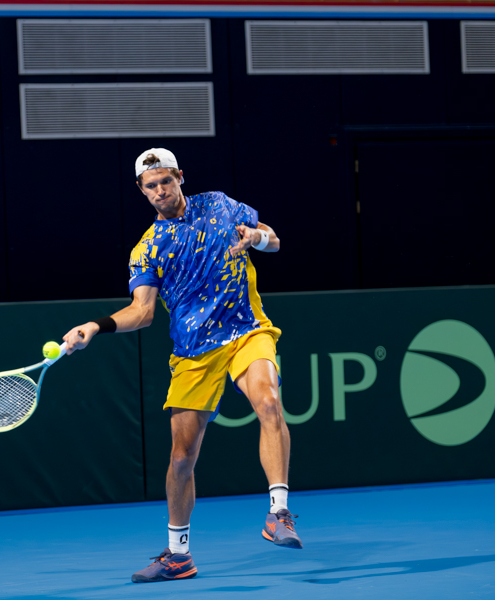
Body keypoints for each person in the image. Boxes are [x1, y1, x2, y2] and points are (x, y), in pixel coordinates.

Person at [62, 148, 302, 584]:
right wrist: (95, 326)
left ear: (179, 178)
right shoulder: (147, 248)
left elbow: (274, 239)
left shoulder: (220, 205)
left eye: (165, 181)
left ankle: (279, 513)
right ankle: (178, 555)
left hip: (246, 330)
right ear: (141, 190)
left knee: (268, 402)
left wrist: (257, 238)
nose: (160, 191)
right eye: (150, 186)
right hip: (193, 352)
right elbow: (143, 312)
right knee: (181, 459)